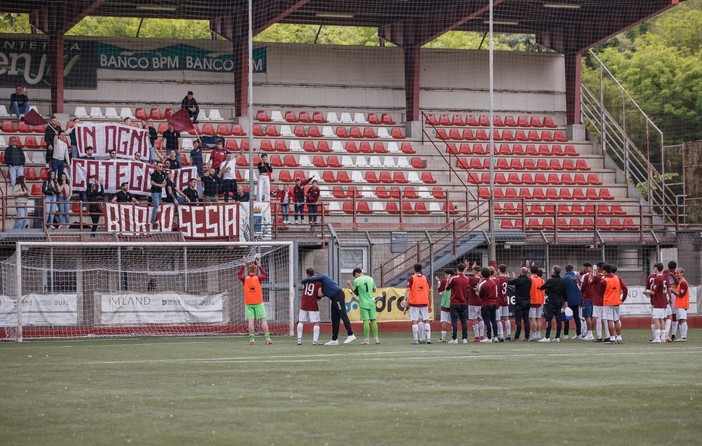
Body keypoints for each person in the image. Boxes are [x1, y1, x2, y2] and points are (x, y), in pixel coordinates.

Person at [302, 272, 356, 345]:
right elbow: (321, 294)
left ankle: (351, 334)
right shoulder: (322, 284)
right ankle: (334, 339)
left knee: (342, 314)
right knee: (334, 318)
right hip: (334, 298)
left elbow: (311, 279)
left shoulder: (322, 276)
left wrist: (304, 281)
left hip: (338, 295)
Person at [238, 256, 272, 345]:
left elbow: (239, 274)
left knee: (251, 321)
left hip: (249, 303)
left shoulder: (245, 278)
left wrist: (243, 264)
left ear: (248, 271)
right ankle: (267, 339)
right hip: (258, 302)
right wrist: (260, 265)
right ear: (255, 271)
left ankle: (252, 340)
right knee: (263, 320)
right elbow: (264, 274)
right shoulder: (258, 278)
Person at [590, 264, 627, 344]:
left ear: (605, 271)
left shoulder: (604, 280)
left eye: (603, 270)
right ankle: (619, 337)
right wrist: (622, 299)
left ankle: (612, 337)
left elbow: (600, 292)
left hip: (608, 302)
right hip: (616, 302)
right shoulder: (617, 278)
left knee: (610, 320)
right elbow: (625, 288)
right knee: (616, 319)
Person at [347, 267, 379, 345]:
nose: (355, 277)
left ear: (357, 273)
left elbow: (356, 292)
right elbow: (374, 290)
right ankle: (376, 339)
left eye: (355, 275)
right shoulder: (370, 279)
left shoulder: (357, 280)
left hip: (363, 303)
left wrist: (350, 285)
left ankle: (367, 340)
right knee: (373, 320)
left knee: (366, 321)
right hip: (371, 302)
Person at [403, 263, 432, 345]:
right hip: (424, 302)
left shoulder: (411, 278)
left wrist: (405, 300)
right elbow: (429, 293)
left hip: (414, 303)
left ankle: (416, 340)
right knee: (426, 320)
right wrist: (429, 304)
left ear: (414, 269)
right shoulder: (426, 278)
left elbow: (408, 291)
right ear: (421, 269)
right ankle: (429, 339)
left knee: (415, 321)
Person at [538, 265, 566, 343]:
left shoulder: (551, 280)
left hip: (552, 301)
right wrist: (565, 301)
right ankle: (557, 337)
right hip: (560, 301)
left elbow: (542, 287)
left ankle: (547, 336)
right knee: (558, 319)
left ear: (554, 271)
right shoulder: (563, 280)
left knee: (548, 319)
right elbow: (565, 292)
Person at [446, 264, 471, 344]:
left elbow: (447, 288)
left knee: (454, 321)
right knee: (464, 321)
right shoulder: (467, 279)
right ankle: (464, 338)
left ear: (457, 269)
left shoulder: (454, 279)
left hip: (455, 302)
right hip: (463, 302)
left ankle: (455, 338)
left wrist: (447, 280)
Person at [297, 268, 323, 345]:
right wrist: (323, 295)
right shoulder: (318, 282)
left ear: (307, 274)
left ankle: (299, 339)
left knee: (301, 321)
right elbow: (319, 294)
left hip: (304, 303)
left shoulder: (306, 281)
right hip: (312, 304)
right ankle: (315, 340)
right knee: (316, 322)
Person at [508, 266, 532, 341]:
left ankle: (516, 337)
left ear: (521, 272)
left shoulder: (519, 280)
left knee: (518, 320)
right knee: (526, 320)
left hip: (519, 302)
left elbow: (510, 282)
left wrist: (509, 277)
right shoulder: (529, 280)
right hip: (527, 301)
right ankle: (527, 336)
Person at [477, 267, 498, 343]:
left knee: (487, 321)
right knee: (493, 320)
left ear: (482, 274)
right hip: (494, 303)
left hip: (486, 304)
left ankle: (489, 337)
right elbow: (496, 293)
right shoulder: (493, 282)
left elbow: (480, 296)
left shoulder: (482, 284)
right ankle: (495, 336)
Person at [562, 265, 582, 339]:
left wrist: (564, 300)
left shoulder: (565, 278)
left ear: (566, 270)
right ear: (572, 269)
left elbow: (564, 290)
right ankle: (579, 333)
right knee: (577, 317)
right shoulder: (577, 277)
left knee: (567, 317)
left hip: (568, 300)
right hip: (577, 299)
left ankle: (566, 334)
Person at [670, 268, 689, 342]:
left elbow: (681, 294)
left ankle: (683, 337)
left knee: (682, 320)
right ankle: (682, 336)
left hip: (682, 304)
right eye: (675, 273)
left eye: (678, 273)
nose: (676, 274)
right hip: (679, 304)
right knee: (680, 320)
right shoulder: (681, 282)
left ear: (682, 273)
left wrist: (673, 291)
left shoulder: (683, 283)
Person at [528, 265, 545, 341]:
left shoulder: (530, 279)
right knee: (538, 319)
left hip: (532, 300)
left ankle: (534, 335)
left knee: (532, 319)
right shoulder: (541, 280)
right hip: (540, 301)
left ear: (531, 271)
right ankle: (538, 334)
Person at [579, 262, 595, 340]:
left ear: (587, 268)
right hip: (593, 298)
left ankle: (589, 333)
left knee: (587, 316)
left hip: (586, 297)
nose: (583, 269)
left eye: (584, 268)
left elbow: (582, 288)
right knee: (591, 316)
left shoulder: (585, 276)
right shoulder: (594, 275)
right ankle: (591, 333)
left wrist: (577, 283)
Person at [435, 269, 452, 343]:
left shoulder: (444, 281)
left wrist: (438, 281)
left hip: (445, 304)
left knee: (444, 321)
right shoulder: (455, 280)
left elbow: (439, 290)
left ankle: (443, 338)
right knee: (453, 321)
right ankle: (454, 337)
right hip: (453, 303)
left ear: (447, 274)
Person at [496, 264, 511, 341]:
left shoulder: (498, 278)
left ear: (499, 269)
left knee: (498, 319)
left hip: (499, 299)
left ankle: (500, 335)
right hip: (505, 299)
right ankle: (508, 334)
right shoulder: (506, 278)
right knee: (506, 318)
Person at [150, 161, 167, 229]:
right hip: (155, 191)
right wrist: (160, 185)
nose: (161, 167)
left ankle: (155, 217)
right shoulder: (154, 173)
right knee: (156, 204)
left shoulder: (163, 173)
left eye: (162, 166)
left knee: (157, 205)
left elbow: (165, 181)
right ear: (157, 167)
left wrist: (163, 184)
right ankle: (153, 219)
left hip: (159, 191)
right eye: (160, 166)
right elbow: (152, 182)